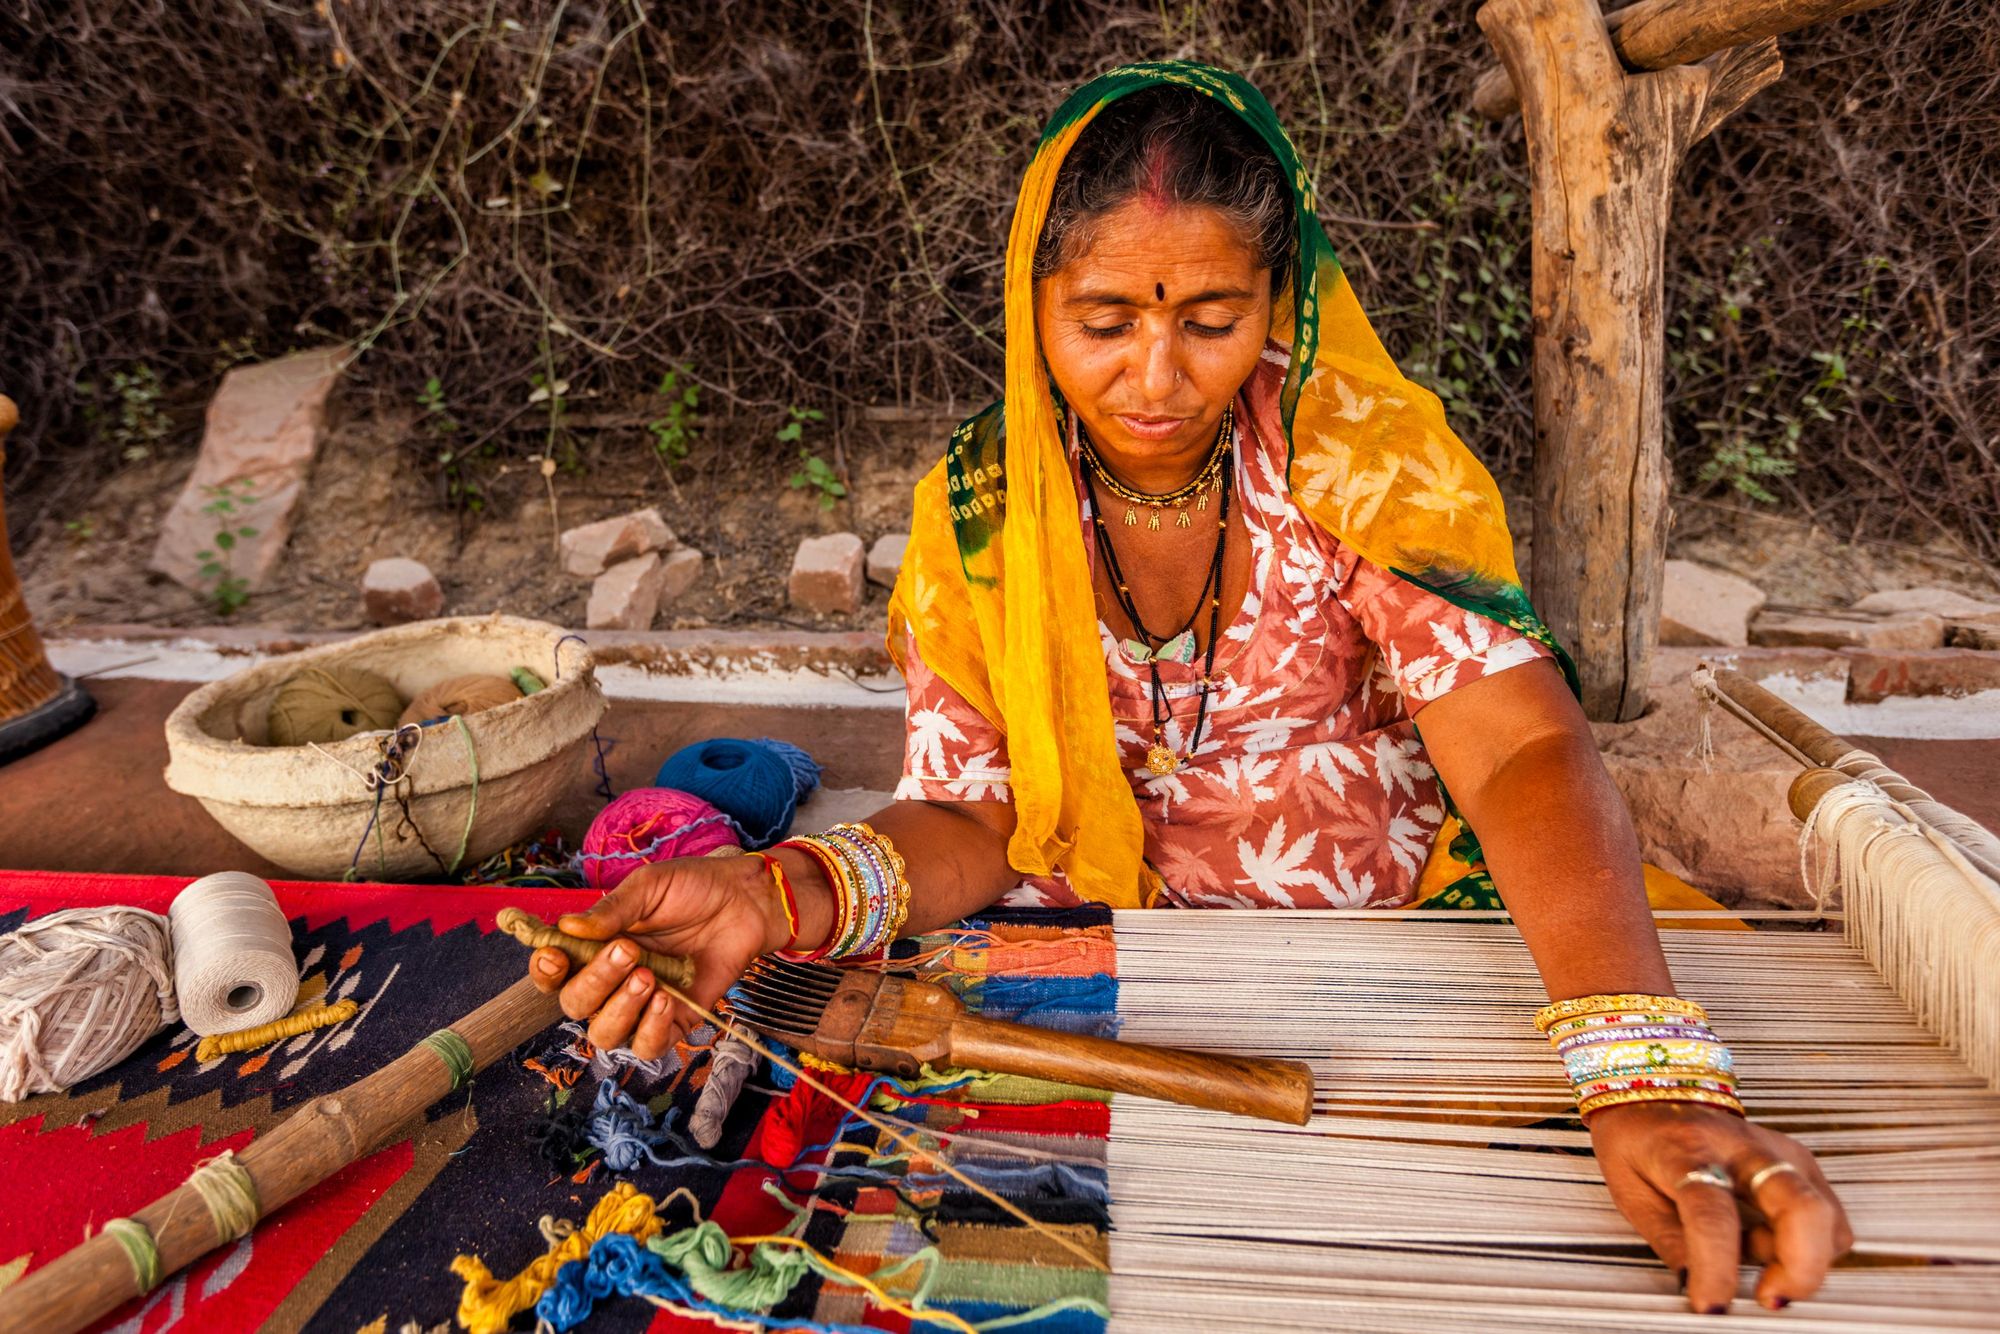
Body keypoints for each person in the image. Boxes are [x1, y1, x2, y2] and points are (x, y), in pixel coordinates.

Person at [527, 62, 1851, 1313]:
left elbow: (1515, 752)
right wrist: (783, 887)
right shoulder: (983, 513)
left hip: (1358, 959)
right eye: (1103, 322)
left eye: (1210, 321)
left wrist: (1639, 1066)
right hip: (1079, 975)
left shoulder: (1361, 461)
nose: (1156, 379)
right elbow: (976, 822)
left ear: (1277, 301)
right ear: (1031, 303)